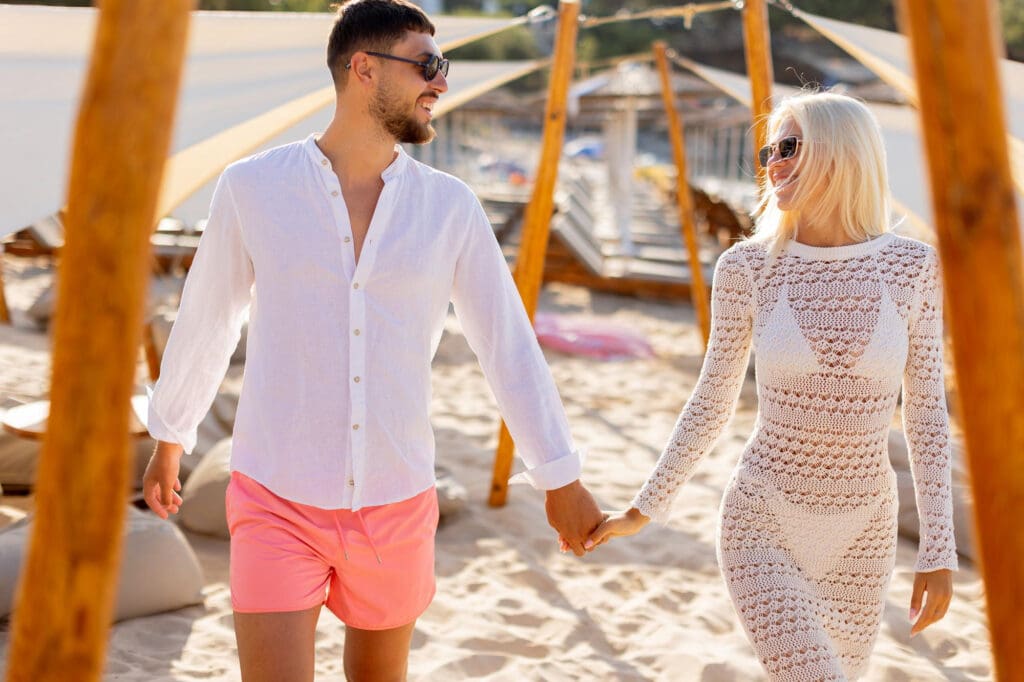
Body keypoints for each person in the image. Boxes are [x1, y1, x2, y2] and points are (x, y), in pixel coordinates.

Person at [141, 1, 603, 679]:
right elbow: (207, 318)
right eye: (427, 64)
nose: (441, 82)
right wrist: (169, 437)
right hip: (275, 495)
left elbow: (505, 344)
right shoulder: (252, 188)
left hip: (397, 498)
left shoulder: (449, 207)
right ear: (364, 68)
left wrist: (558, 477)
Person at [585, 92, 958, 681]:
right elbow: (713, 398)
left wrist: (938, 550)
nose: (773, 164)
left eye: (788, 148)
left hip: (864, 532)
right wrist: (645, 507)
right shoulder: (747, 267)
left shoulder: (912, 267)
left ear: (843, 152)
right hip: (763, 520)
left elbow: (928, 415)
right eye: (768, 152)